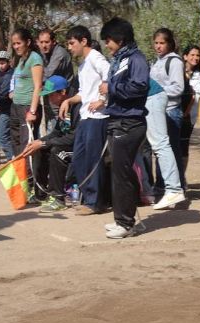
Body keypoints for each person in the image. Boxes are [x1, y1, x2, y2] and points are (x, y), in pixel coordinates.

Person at [99, 17, 150, 239]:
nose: (106, 45)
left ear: (119, 39)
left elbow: (139, 87)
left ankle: (125, 223)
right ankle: (124, 218)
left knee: (122, 174)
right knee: (120, 171)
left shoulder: (137, 59)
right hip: (117, 119)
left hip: (130, 122)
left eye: (108, 40)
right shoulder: (119, 59)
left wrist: (111, 87)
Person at [60, 25, 111, 215]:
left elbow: (110, 75)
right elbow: (84, 93)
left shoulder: (96, 58)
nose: (70, 47)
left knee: (93, 159)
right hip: (85, 116)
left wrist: (102, 100)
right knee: (80, 158)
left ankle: (95, 202)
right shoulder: (82, 65)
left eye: (72, 43)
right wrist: (69, 100)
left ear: (83, 41)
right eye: (68, 44)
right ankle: (88, 196)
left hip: (98, 118)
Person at [22, 75, 79, 212]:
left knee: (57, 152)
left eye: (51, 95)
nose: (49, 99)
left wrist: (45, 144)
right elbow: (57, 133)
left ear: (63, 93)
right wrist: (39, 142)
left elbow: (75, 137)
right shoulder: (62, 106)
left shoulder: (77, 107)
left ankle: (58, 199)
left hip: (81, 147)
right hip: (66, 143)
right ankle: (41, 195)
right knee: (40, 149)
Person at [10, 28, 46, 200]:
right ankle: (24, 186)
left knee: (28, 148)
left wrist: (32, 111)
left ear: (28, 42)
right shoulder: (21, 60)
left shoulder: (35, 59)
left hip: (27, 109)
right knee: (17, 148)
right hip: (15, 107)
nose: (16, 46)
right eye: (14, 44)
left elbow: (38, 86)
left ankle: (36, 189)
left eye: (19, 43)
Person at [150, 28, 186, 195]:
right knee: (160, 151)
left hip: (171, 111)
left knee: (171, 151)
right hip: (157, 111)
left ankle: (177, 188)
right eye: (156, 43)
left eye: (162, 43)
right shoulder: (156, 62)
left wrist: (159, 92)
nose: (158, 46)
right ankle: (160, 186)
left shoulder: (175, 62)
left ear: (169, 44)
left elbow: (178, 87)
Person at [180, 44, 200, 183]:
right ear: (185, 56)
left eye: (197, 55)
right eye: (192, 55)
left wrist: (185, 113)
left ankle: (181, 178)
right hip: (173, 113)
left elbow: (194, 96)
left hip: (188, 117)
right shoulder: (177, 70)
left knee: (183, 147)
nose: (195, 58)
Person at [38, 29, 74, 133]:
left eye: (47, 42)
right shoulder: (44, 53)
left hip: (62, 95)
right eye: (41, 42)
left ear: (54, 42)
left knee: (59, 125)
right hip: (51, 93)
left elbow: (47, 74)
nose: (44, 45)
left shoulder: (60, 54)